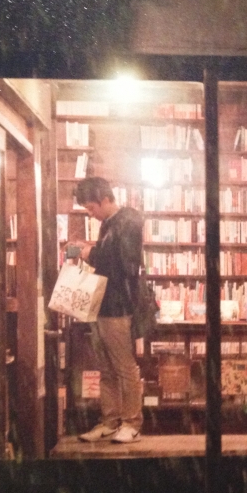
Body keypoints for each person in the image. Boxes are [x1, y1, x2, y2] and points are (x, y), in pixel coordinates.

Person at [74, 177, 145, 444]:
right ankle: (110, 421)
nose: (90, 214)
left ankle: (132, 423)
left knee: (124, 367)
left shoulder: (128, 221)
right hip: (102, 304)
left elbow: (123, 264)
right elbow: (110, 258)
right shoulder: (109, 224)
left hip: (118, 306)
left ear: (104, 199)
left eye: (91, 208)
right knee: (106, 368)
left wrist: (89, 253)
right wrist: (91, 251)